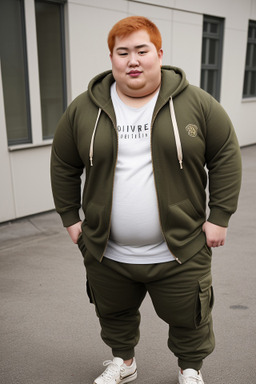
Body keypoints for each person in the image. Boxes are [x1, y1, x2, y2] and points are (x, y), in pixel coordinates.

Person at [50, 16, 242, 384]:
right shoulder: (84, 108)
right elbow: (63, 163)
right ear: (112, 58)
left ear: (159, 54)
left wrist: (219, 215)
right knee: (113, 314)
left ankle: (190, 369)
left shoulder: (196, 103)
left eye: (141, 50)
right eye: (123, 52)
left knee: (190, 316)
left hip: (180, 248)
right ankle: (123, 363)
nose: (132, 60)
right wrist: (70, 218)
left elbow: (226, 155)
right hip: (107, 250)